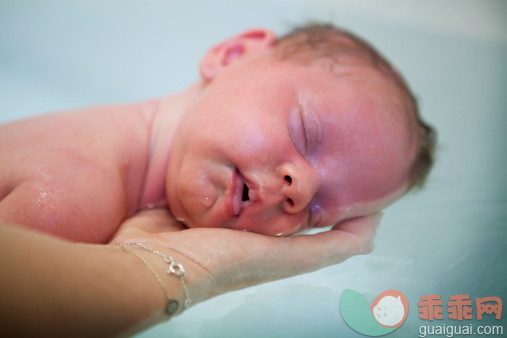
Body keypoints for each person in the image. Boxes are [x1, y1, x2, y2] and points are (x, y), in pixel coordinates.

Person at [0, 23, 435, 336]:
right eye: (306, 132)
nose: (299, 190)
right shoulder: (70, 197)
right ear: (233, 55)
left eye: (317, 213)